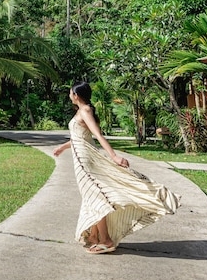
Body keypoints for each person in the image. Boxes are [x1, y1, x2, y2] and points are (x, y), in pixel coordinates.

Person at [53, 82, 180, 254]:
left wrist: (113, 156)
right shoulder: (81, 111)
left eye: (70, 93)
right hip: (80, 157)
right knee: (93, 195)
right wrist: (62, 147)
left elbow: (97, 134)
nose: (69, 96)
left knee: (95, 196)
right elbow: (79, 137)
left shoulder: (85, 111)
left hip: (86, 161)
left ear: (76, 95)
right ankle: (95, 235)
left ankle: (106, 240)